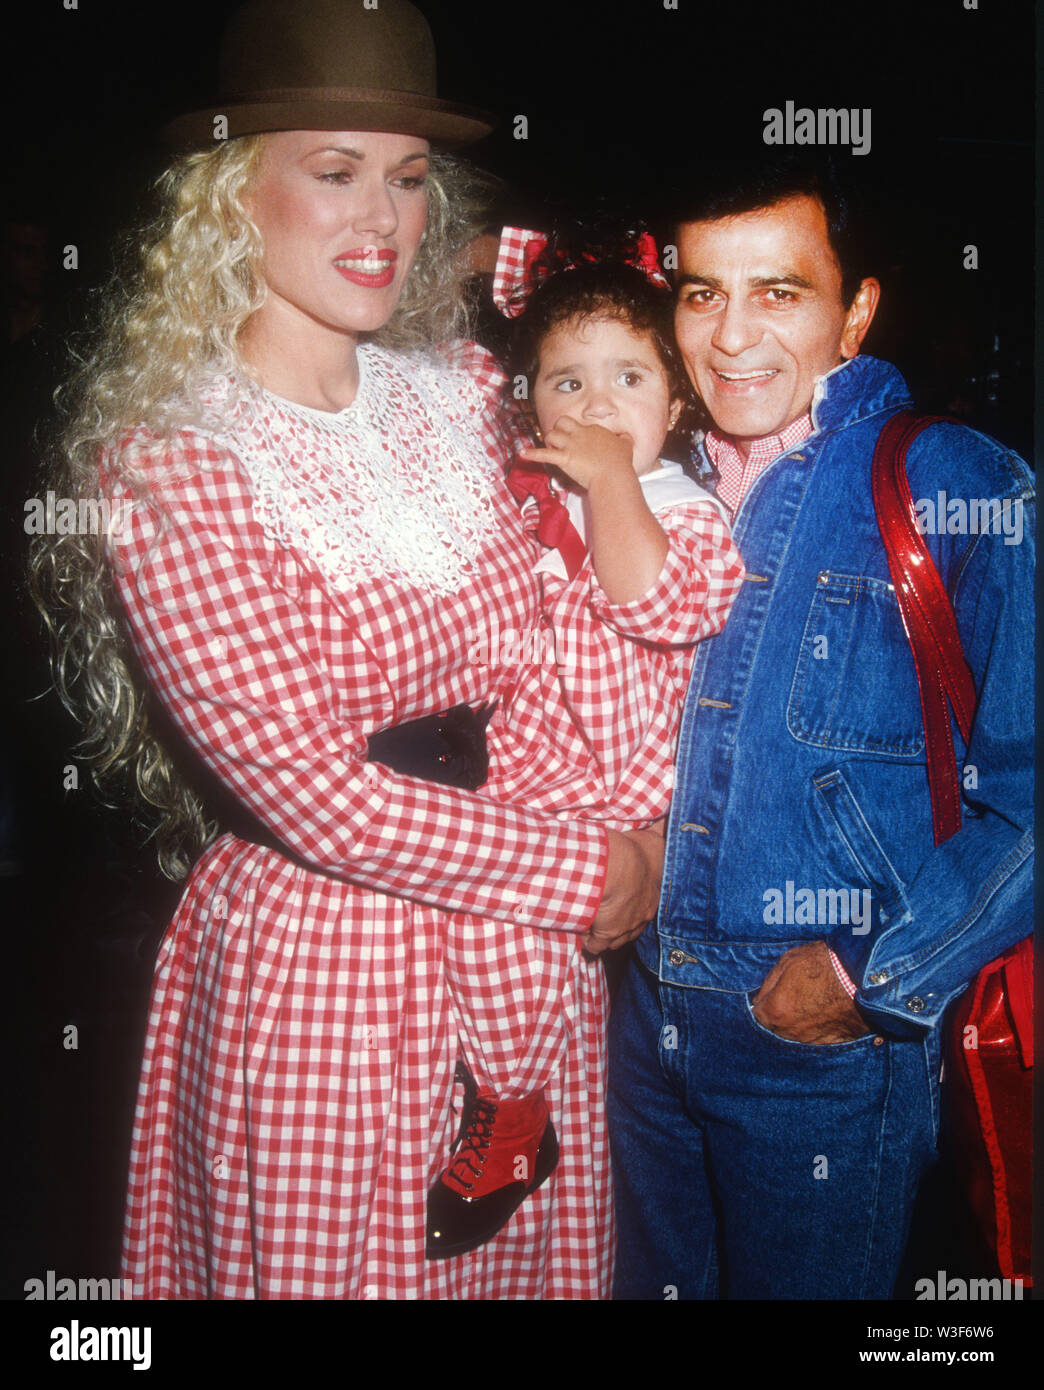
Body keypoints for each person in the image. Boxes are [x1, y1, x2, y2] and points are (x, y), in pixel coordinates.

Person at [31, 0, 665, 1300]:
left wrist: (645, 826)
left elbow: (580, 625)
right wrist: (591, 863)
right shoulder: (167, 466)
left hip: (529, 979)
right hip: (331, 976)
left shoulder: (478, 396)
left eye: (410, 178)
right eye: (334, 172)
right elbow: (325, 798)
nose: (381, 217)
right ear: (233, 198)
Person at [608, 158, 1034, 1300]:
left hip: (815, 1049)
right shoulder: (651, 483)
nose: (732, 336)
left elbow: (1032, 799)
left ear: (855, 311)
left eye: (779, 292)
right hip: (639, 1027)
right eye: (702, 292)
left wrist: (869, 977)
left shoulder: (952, 480)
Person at [427, 231, 744, 1257]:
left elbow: (653, 597)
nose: (599, 405)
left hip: (622, 784)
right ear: (533, 405)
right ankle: (510, 1093)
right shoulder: (539, 494)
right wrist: (479, 261)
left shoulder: (679, 508)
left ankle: (515, 1115)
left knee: (502, 931)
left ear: (677, 402)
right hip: (529, 772)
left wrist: (610, 484)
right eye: (569, 381)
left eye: (628, 377)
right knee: (473, 927)